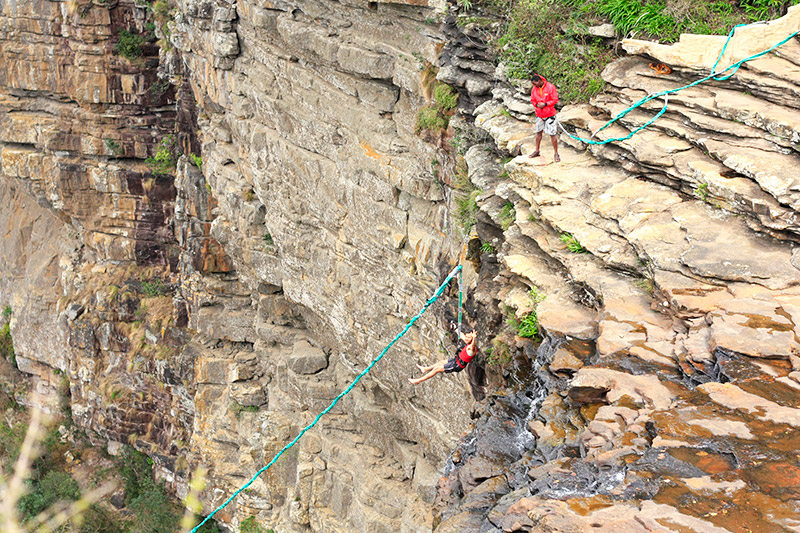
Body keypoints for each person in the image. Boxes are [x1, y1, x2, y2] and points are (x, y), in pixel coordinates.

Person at [409, 330, 478, 385]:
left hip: (457, 365)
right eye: (466, 336)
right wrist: (455, 328)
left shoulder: (471, 348)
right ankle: (425, 369)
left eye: (468, 338)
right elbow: (462, 335)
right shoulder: (468, 342)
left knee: (436, 369)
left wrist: (474, 338)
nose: (466, 338)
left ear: (472, 340)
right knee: (441, 362)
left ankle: (418, 380)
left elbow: (473, 345)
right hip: (456, 360)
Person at [529, 74, 560, 163]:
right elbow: (532, 99)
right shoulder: (534, 89)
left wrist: (545, 104)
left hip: (550, 114)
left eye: (535, 84)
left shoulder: (551, 87)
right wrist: (536, 105)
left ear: (539, 81)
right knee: (538, 133)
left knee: (552, 134)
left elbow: (555, 99)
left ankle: (556, 153)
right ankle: (537, 151)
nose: (534, 86)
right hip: (539, 114)